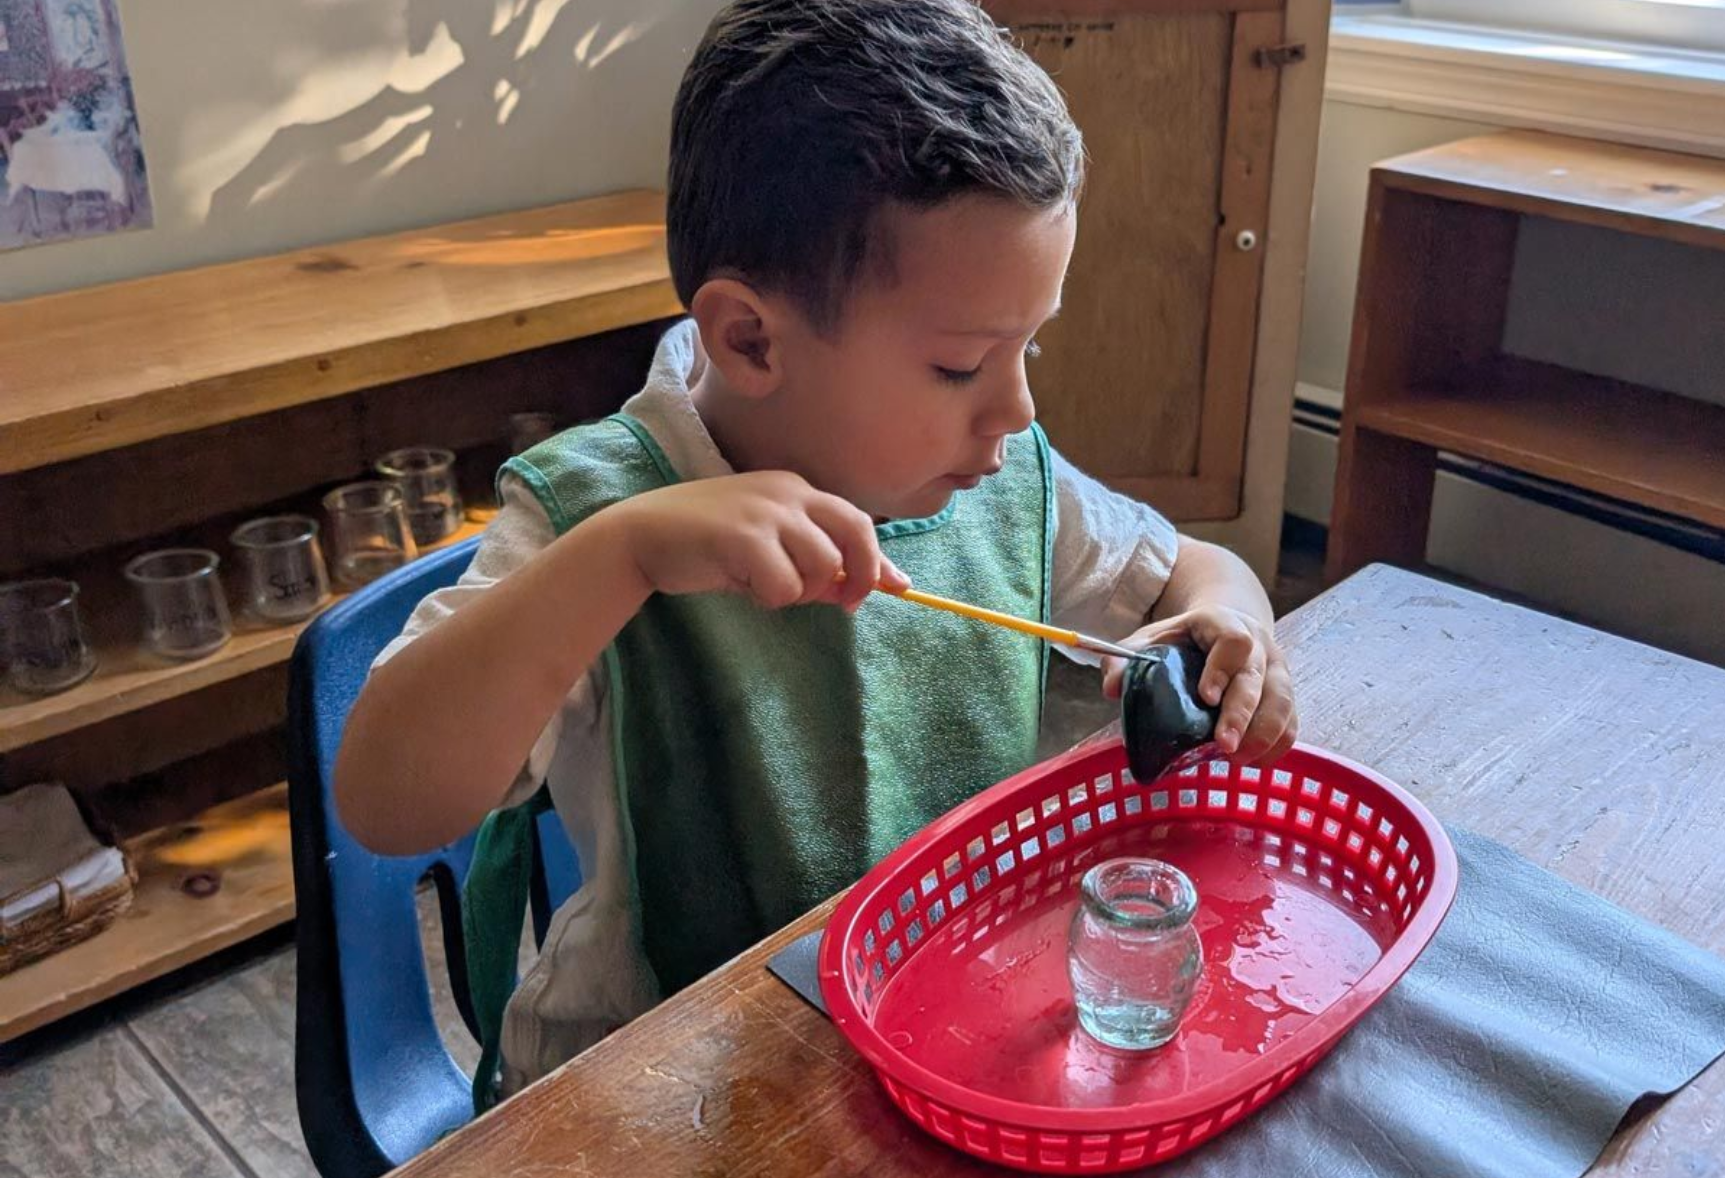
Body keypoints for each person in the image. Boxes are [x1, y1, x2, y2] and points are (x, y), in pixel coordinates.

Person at [335, 0, 1296, 1103]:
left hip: (940, 1036)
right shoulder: (602, 521)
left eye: (1029, 346)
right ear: (749, 338)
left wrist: (1234, 619)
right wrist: (619, 558)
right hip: (666, 1093)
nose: (1015, 411)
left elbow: (1188, 570)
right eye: (959, 365)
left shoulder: (995, 475)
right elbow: (384, 799)